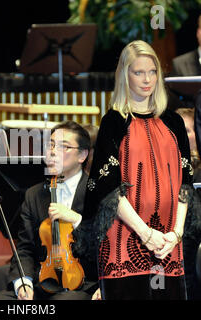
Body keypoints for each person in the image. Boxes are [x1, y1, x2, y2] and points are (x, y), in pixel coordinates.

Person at [84, 40, 198, 300]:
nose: (147, 79)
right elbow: (108, 188)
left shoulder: (174, 121)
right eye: (138, 72)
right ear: (125, 75)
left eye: (152, 71)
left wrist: (176, 234)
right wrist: (145, 234)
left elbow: (185, 183)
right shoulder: (114, 122)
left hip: (168, 243)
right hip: (124, 241)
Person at [0, 120, 98, 300]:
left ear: (82, 155)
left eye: (64, 147)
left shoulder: (96, 191)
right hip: (44, 282)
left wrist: (76, 219)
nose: (53, 152)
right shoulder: (34, 194)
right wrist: (23, 282)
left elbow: (106, 246)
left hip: (84, 285)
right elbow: (25, 248)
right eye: (51, 145)